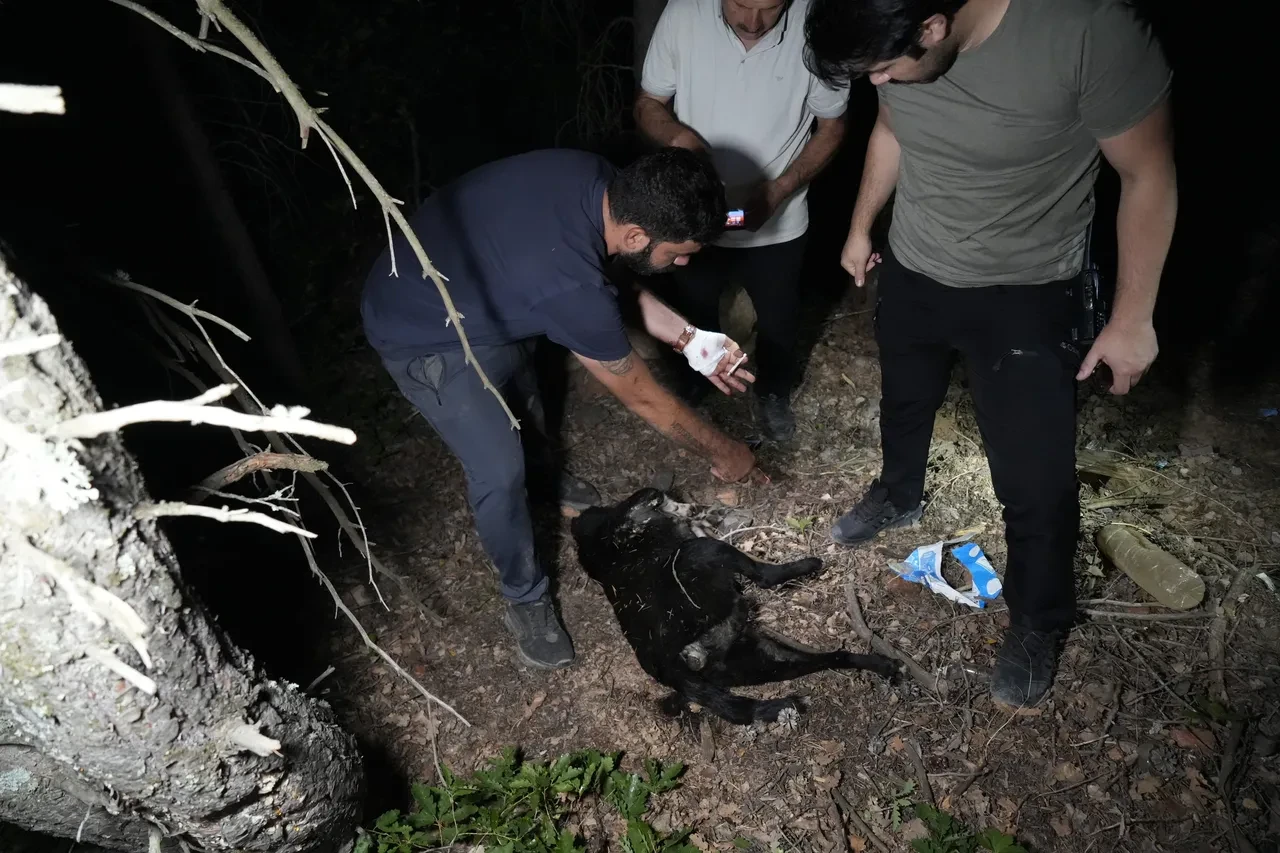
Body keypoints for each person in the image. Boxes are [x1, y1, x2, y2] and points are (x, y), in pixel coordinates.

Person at [804, 0, 1177, 706]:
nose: (875, 83)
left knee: (1035, 479)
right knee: (904, 398)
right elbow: (891, 129)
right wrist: (860, 225)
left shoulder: (1087, 32)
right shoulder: (891, 41)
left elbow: (1149, 174)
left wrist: (1134, 317)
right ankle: (897, 494)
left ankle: (1038, 619)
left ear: (934, 27)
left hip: (1027, 291)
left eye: (882, 68)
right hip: (914, 267)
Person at [362, 147, 764, 670]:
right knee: (499, 471)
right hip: (419, 330)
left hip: (484, 293)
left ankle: (544, 478)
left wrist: (689, 338)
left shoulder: (603, 182)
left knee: (526, 395)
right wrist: (725, 453)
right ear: (636, 235)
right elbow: (641, 393)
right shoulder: (567, 283)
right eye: (679, 253)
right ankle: (523, 596)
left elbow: (598, 275)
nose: (684, 262)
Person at [635, 0, 850, 441]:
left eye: (771, 7)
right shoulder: (684, 13)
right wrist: (681, 141)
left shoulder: (819, 22)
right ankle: (695, 390)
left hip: (778, 216)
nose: (753, 23)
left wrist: (779, 190)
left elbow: (832, 126)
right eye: (739, 4)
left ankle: (773, 394)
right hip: (697, 216)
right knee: (693, 308)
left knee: (779, 318)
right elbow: (648, 103)